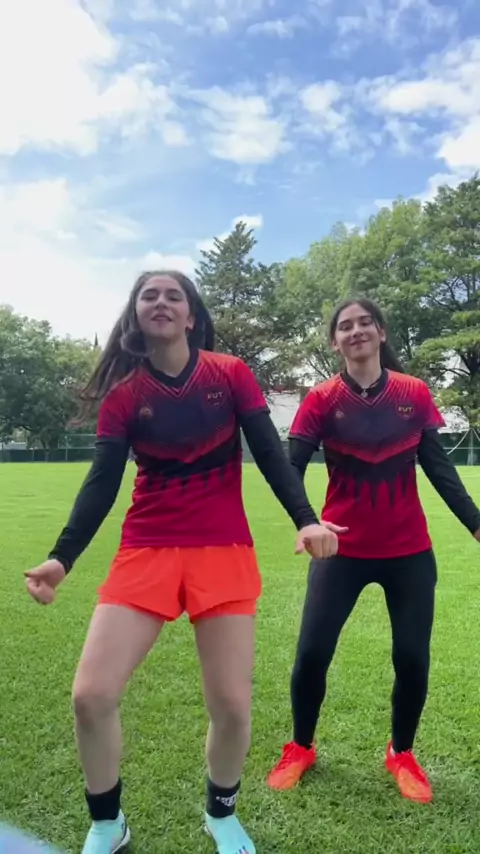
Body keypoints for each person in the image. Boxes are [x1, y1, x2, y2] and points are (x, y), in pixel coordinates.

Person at [24, 271, 339, 854]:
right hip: (146, 549)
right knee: (90, 695)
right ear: (137, 314)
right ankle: (107, 824)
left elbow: (269, 453)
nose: (161, 302)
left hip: (223, 548)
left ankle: (221, 814)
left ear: (191, 316)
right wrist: (61, 558)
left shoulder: (230, 373)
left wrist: (306, 518)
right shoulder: (125, 395)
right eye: (150, 295)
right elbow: (102, 480)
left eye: (174, 295)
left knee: (232, 706)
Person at [267, 296, 480, 804]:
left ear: (381, 332)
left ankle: (401, 753)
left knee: (412, 658)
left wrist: (476, 524)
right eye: (345, 325)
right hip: (340, 552)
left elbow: (439, 468)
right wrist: (307, 521)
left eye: (366, 322)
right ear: (334, 341)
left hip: (408, 550)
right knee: (312, 654)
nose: (356, 330)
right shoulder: (321, 399)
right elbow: (289, 468)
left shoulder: (413, 392)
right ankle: (301, 747)